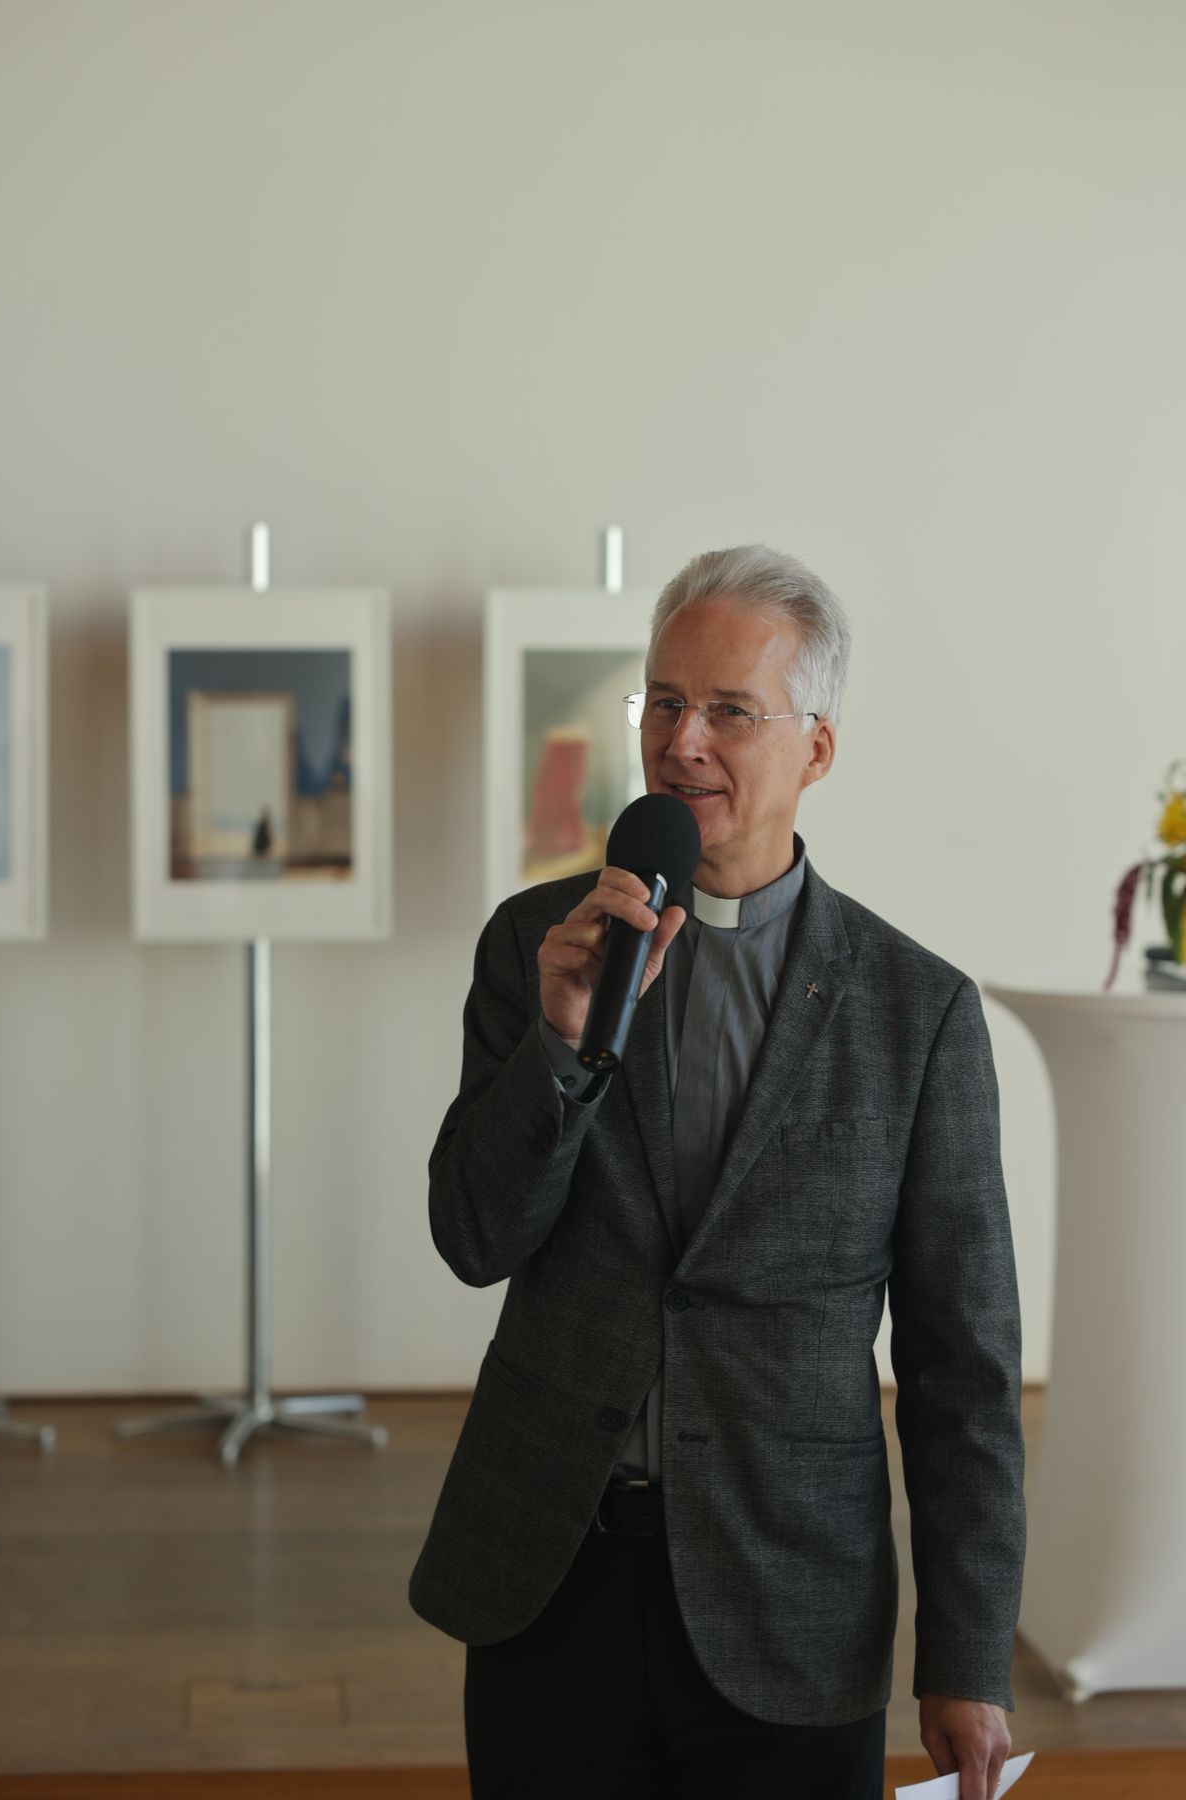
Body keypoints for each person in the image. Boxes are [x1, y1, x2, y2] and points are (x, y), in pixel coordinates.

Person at [410, 545, 1025, 1800]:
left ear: (818, 749)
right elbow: (476, 1237)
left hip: (788, 1602)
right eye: (664, 703)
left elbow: (965, 1368)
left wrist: (967, 1656)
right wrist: (563, 1044)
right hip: (548, 1577)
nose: (682, 741)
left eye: (730, 711)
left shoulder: (919, 1015)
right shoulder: (535, 944)